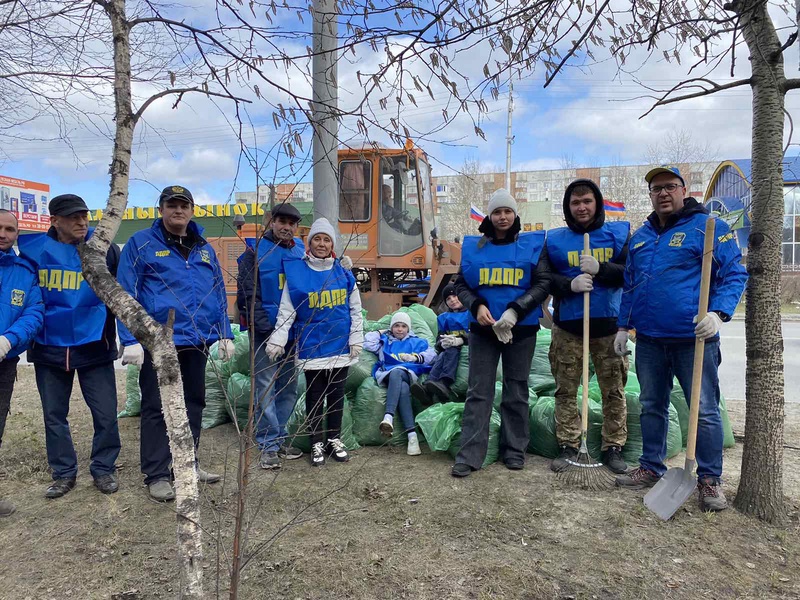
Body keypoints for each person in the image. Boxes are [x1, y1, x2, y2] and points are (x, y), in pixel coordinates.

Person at [613, 166, 748, 512]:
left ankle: (708, 479)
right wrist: (621, 326)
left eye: (669, 187)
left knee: (703, 410)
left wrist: (717, 314)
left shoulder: (708, 227)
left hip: (694, 340)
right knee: (651, 405)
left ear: (684, 190)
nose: (662, 193)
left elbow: (734, 272)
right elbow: (631, 286)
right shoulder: (641, 237)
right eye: (656, 189)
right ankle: (651, 466)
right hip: (650, 342)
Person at [117, 185, 233, 502]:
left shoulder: (204, 247)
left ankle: (186, 464)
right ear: (161, 209)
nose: (177, 211)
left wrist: (224, 332)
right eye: (171, 205)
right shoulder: (141, 245)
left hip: (196, 340)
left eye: (183, 205)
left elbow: (218, 292)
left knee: (193, 401)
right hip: (160, 341)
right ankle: (156, 474)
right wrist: (131, 338)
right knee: (157, 406)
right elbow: (125, 292)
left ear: (192, 210)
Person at [18, 194, 122, 499]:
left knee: (105, 414)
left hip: (94, 346)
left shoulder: (104, 249)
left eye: (84, 216)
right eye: (73, 217)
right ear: (55, 221)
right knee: (54, 415)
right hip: (49, 348)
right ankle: (63, 473)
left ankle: (103, 469)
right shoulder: (34, 250)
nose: (81, 222)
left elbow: (121, 292)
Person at [450, 189, 550, 477]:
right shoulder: (474, 247)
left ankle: (514, 450)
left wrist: (516, 310)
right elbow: (461, 286)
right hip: (483, 330)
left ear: (515, 214)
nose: (502, 216)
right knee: (478, 392)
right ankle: (469, 454)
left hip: (522, 329)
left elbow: (542, 283)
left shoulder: (532, 245)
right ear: (489, 216)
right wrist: (477, 306)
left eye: (507, 211)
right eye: (497, 212)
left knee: (516, 390)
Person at [546, 179, 631, 475]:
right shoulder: (554, 240)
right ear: (568, 207)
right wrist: (569, 285)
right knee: (566, 391)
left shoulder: (618, 235)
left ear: (597, 203)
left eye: (587, 201)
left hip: (608, 327)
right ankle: (569, 444)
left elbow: (628, 273)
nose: (581, 207)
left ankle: (613, 446)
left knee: (614, 391)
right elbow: (545, 278)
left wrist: (601, 269)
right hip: (568, 327)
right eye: (575, 203)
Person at [267, 217, 363, 467]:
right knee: (315, 396)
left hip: (340, 344)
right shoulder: (298, 272)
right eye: (317, 239)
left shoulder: (343, 272)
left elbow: (355, 309)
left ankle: (334, 439)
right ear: (309, 243)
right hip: (313, 346)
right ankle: (316, 442)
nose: (321, 243)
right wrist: (278, 339)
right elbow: (287, 310)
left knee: (336, 395)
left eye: (326, 239)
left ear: (332, 243)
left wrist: (356, 338)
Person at [236, 203, 306, 470]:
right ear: (271, 222)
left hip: (293, 332)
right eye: (282, 222)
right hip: (266, 333)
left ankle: (279, 437)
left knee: (289, 387)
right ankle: (267, 444)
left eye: (292, 223)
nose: (287, 227)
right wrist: (265, 329)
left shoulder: (301, 251)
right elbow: (247, 294)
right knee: (265, 387)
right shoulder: (255, 252)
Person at [0, 210, 44, 517]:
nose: (3, 233)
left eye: (10, 229)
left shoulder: (25, 271)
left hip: (3, 361)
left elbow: (34, 313)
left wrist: (9, 339)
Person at [363, 312, 435, 456]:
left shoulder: (416, 341)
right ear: (392, 328)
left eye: (403, 326)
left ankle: (388, 416)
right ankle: (412, 436)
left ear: (408, 328)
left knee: (398, 373)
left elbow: (432, 355)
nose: (400, 329)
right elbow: (367, 342)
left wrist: (415, 357)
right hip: (387, 375)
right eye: (396, 326)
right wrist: (381, 331)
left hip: (409, 374)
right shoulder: (385, 342)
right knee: (402, 387)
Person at [410, 283, 470, 404]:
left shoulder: (471, 314)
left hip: (466, 348)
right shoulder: (444, 318)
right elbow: (439, 339)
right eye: (448, 298)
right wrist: (441, 344)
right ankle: (428, 386)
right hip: (449, 350)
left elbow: (479, 334)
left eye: (455, 296)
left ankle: (445, 381)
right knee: (442, 355)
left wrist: (461, 339)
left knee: (452, 350)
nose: (452, 300)